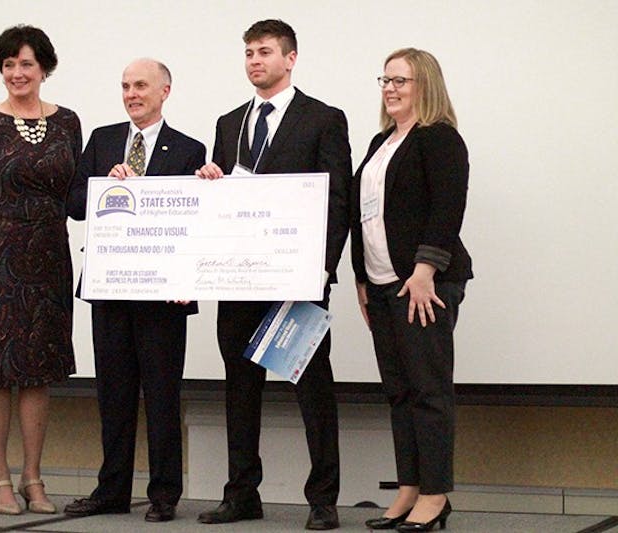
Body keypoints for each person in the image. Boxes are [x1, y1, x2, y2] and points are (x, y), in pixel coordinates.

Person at [196, 19, 352, 531]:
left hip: (297, 280)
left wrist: (322, 270)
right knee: (240, 388)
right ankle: (242, 493)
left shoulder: (324, 119)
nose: (254, 61)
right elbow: (221, 205)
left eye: (264, 51)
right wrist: (210, 182)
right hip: (238, 281)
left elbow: (337, 202)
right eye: (247, 53)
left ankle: (323, 498)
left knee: (311, 386)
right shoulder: (228, 122)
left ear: (290, 58)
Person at [63, 58, 206, 523]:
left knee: (162, 395)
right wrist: (108, 183)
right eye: (125, 86)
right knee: (113, 395)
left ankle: (164, 493)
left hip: (162, 296)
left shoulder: (189, 149)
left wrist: (190, 280)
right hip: (110, 288)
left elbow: (194, 224)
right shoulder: (103, 140)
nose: (131, 94)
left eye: (141, 85)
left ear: (165, 90)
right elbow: (76, 205)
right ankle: (112, 490)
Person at [0, 25, 81, 515]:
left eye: (26, 64)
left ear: (44, 68)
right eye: (8, 64)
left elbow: (75, 192)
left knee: (39, 373)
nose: (17, 73)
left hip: (50, 261)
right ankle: (0, 480)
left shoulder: (68, 122)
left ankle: (34, 479)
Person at [351, 48, 472, 532]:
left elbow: (447, 208)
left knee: (428, 391)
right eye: (386, 80)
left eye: (401, 80)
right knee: (399, 392)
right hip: (382, 287)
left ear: (426, 85)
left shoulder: (439, 139)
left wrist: (425, 269)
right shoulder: (382, 142)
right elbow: (364, 216)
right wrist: (362, 279)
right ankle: (410, 487)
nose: (391, 88)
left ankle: (436, 494)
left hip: (425, 284)